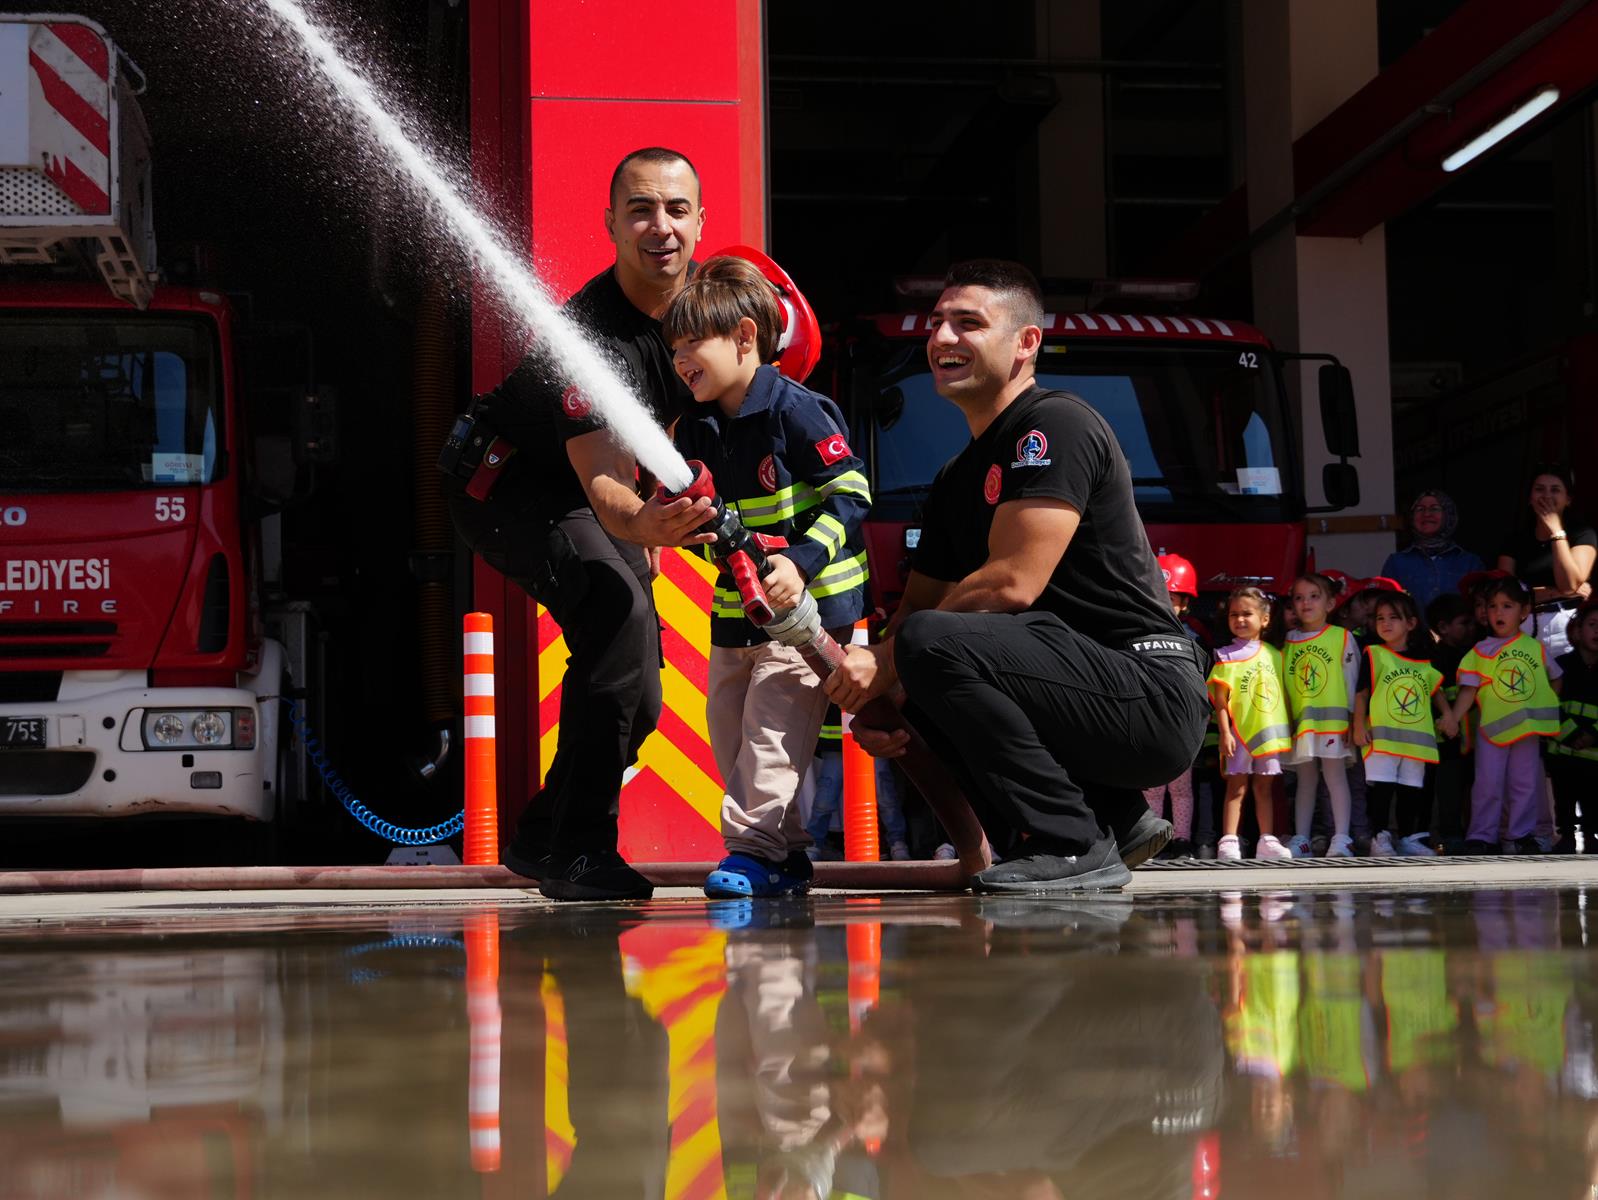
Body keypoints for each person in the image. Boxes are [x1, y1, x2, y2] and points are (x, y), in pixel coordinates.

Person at [822, 259, 1209, 894]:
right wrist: (881, 699)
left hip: (1150, 691)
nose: (943, 338)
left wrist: (889, 659)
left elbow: (1012, 584)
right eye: (937, 323)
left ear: (1026, 343)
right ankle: (1113, 819)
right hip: (1084, 694)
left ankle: (1071, 841)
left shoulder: (1055, 424)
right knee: (923, 649)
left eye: (968, 323)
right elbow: (917, 609)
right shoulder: (953, 481)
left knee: (926, 645)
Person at [443, 146, 718, 901]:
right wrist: (645, 529)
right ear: (611, 224)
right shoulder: (591, 339)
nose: (659, 226)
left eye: (675, 209)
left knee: (646, 700)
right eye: (639, 210)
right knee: (616, 619)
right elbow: (603, 488)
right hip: (507, 488)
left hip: (587, 487)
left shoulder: (703, 310)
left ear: (701, 222)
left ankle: (540, 835)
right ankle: (581, 851)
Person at [664, 255, 872, 898]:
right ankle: (783, 855)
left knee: (771, 734)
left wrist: (800, 563)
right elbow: (703, 529)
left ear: (746, 337)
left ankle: (751, 851)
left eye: (693, 342)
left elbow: (854, 490)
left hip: (808, 613)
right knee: (728, 729)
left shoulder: (797, 410)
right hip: (735, 610)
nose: (681, 359)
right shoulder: (696, 426)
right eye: (674, 348)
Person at [1448, 576, 1564, 854]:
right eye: (1493, 606)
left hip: (1526, 731)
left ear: (1524, 611)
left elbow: (1556, 678)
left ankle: (1520, 835)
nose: (1499, 612)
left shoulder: (1535, 648)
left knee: (1524, 783)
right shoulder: (1480, 651)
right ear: (1485, 613)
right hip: (1492, 730)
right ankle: (1482, 836)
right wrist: (1452, 717)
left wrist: (1547, 704)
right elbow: (1468, 691)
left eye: (1507, 606)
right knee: (1487, 783)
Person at [1353, 591, 1456, 856]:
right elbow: (1362, 693)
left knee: (1411, 789)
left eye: (1393, 618)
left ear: (1411, 623)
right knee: (1382, 789)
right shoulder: (1374, 654)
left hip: (1414, 741)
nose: (1385, 623)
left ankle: (1409, 838)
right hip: (1383, 739)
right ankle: (1380, 836)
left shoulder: (1424, 660)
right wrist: (1358, 725)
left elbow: (1436, 691)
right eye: (1380, 618)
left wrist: (1448, 714)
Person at [1209, 587, 1294, 861]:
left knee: (1264, 788)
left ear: (1265, 619)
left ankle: (1266, 840)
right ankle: (1229, 840)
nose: (1240, 619)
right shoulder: (1225, 656)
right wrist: (1224, 733)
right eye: (1235, 614)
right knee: (1237, 788)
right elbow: (1221, 703)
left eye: (1247, 613)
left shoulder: (1275, 655)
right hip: (1239, 734)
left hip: (1267, 735)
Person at [1283, 572, 1358, 858]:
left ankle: (1341, 837)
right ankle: (1302, 838)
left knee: (1335, 777)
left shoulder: (1341, 637)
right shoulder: (1289, 640)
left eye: (1314, 596)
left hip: (1334, 723)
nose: (1306, 603)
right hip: (1302, 724)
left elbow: (1350, 681)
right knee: (1305, 779)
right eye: (1299, 598)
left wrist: (1353, 719)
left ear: (1330, 603)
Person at [1497, 465, 1596, 659]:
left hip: (1568, 625)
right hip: (1525, 626)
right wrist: (1555, 592)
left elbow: (1567, 584)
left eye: (1555, 490)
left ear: (1568, 499)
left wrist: (1556, 532)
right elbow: (1506, 594)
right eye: (1539, 489)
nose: (1547, 496)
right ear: (1529, 498)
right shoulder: (1514, 541)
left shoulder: (1582, 534)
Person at [1142, 552, 1206, 857]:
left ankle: (1181, 840)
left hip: (1183, 723)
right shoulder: (1139, 633)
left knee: (1181, 790)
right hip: (1151, 722)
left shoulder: (1195, 640)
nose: (1167, 603)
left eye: (1173, 597)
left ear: (1185, 603)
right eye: (1161, 595)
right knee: (1150, 787)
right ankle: (1152, 840)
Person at [808, 704, 911, 862]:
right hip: (836, 745)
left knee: (885, 795)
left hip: (872, 739)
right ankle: (813, 845)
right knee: (825, 798)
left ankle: (898, 843)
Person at [1425, 592, 1478, 848]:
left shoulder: (1474, 653)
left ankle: (1473, 831)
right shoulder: (1436, 658)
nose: (1471, 628)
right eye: (1464, 623)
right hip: (1447, 738)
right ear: (1443, 627)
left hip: (1475, 736)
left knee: (1474, 786)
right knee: (1449, 787)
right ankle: (1450, 834)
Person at [1548, 600, 1598, 853]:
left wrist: (1592, 734)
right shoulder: (1561, 666)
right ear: (1577, 631)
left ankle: (1592, 836)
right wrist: (1571, 734)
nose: (1597, 631)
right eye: (1592, 625)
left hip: (1595, 753)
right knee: (1564, 797)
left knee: (1594, 796)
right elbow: (1549, 703)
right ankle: (1566, 835)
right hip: (1563, 752)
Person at [1380, 490, 1485, 610]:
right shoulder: (1396, 562)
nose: (1427, 514)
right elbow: (1387, 608)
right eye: (1420, 509)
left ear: (1448, 514)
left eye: (1434, 508)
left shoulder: (1470, 563)